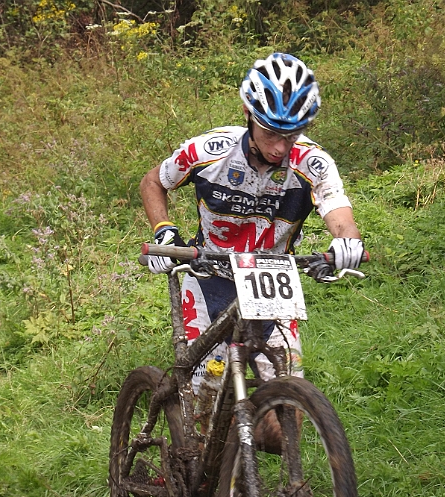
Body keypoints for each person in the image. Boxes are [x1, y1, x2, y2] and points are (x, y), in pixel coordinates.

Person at [139, 52, 364, 404]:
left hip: (272, 283)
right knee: (206, 406)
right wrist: (163, 230)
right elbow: (153, 182)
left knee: (286, 406)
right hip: (208, 278)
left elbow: (339, 213)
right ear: (248, 114)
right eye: (271, 133)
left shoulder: (313, 163)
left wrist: (347, 242)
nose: (280, 147)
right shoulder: (209, 151)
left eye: (292, 135)